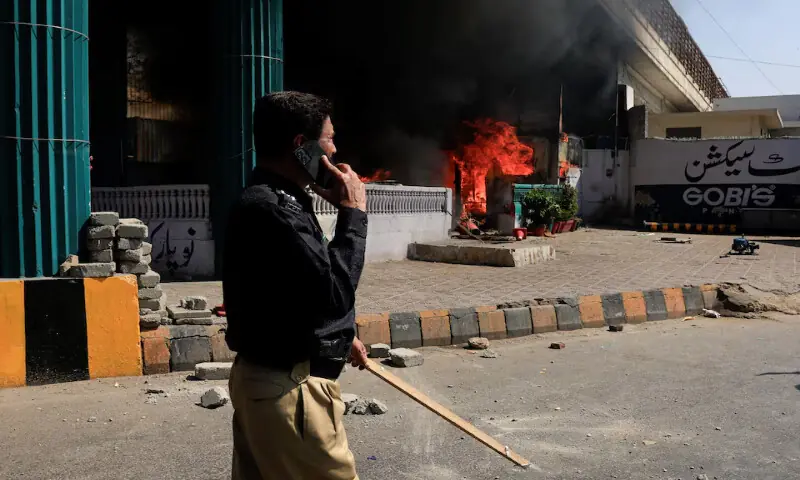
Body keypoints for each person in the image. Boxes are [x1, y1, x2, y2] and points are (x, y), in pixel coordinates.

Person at [223, 91, 369, 480]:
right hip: (291, 390)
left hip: (271, 383)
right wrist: (353, 215)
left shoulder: (274, 200)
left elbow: (291, 291)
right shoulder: (273, 209)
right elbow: (334, 294)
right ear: (300, 146)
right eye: (329, 139)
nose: (336, 150)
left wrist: (337, 336)